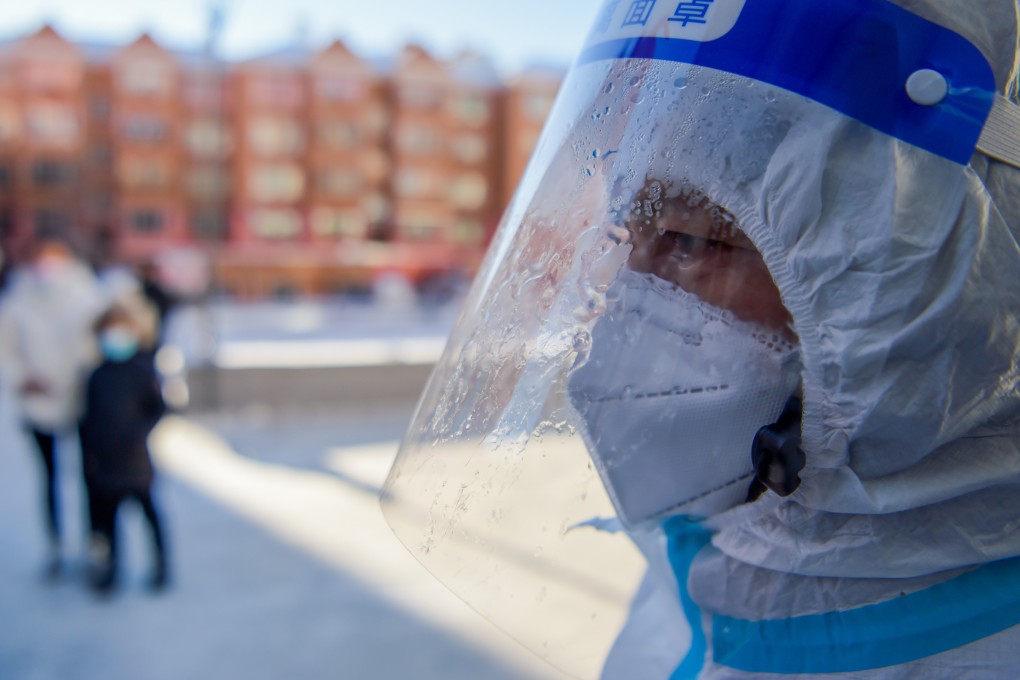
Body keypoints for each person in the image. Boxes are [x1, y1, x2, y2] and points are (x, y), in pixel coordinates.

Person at [380, 0, 1020, 678]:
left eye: (693, 240)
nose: (631, 298)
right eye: (632, 234)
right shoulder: (704, 572)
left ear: (927, 284)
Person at [0, 234, 105, 579]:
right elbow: (7, 350)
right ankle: (57, 545)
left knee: (91, 476)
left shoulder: (87, 295)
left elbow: (99, 342)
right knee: (50, 478)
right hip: (39, 402)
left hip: (82, 400)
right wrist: (22, 378)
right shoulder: (18, 301)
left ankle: (95, 543)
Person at [78, 302, 169, 595]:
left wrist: (136, 433)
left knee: (149, 513)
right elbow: (88, 418)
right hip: (105, 463)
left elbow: (157, 408)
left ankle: (161, 567)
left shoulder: (142, 370)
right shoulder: (97, 375)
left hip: (135, 459)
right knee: (109, 521)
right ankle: (112, 570)